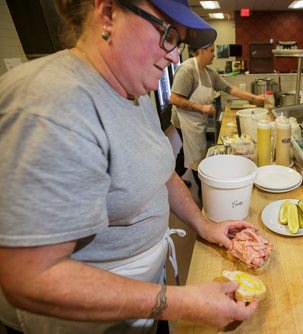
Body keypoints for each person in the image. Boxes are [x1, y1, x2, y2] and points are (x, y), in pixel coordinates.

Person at [0, 0, 260, 333]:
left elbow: (161, 173)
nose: (175, 57)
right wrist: (181, 302)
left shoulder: (133, 93)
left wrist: (204, 224)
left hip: (145, 296)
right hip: (88, 321)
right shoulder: (49, 107)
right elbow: (31, 278)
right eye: (167, 35)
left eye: (178, 43)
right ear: (108, 14)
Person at [170, 45, 267, 192]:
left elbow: (231, 89)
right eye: (211, 51)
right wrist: (201, 107)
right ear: (201, 50)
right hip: (184, 120)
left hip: (197, 120)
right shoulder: (187, 70)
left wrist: (256, 98)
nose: (214, 55)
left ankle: (175, 180)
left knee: (188, 151)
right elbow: (174, 99)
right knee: (195, 156)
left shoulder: (210, 73)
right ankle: (201, 190)